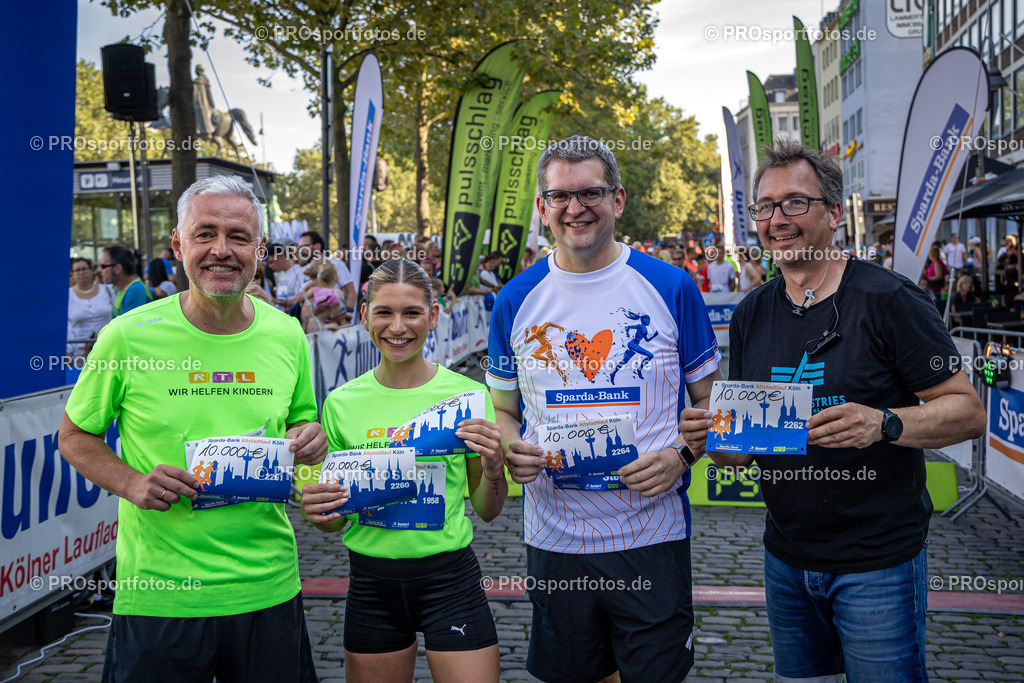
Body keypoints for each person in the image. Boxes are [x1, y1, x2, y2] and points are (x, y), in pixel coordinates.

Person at [683, 141, 985, 682]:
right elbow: (740, 453)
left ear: (834, 214)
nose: (778, 220)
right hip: (786, 557)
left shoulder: (889, 300)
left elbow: (967, 411)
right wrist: (711, 438)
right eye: (766, 207)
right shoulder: (753, 311)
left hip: (878, 563)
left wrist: (884, 423)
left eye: (795, 203)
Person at [58, 176, 328, 682]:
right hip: (160, 595)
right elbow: (74, 437)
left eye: (238, 237)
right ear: (179, 245)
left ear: (260, 249)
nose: (221, 251)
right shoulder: (127, 336)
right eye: (204, 234)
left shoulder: (287, 333)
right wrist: (132, 483)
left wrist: (310, 437)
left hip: (267, 587)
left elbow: (301, 423)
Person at [489, 135, 721, 682]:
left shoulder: (671, 286)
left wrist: (682, 458)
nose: (576, 208)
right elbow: (504, 412)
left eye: (590, 192)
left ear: (617, 200)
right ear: (542, 208)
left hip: (650, 536)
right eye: (560, 196)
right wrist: (511, 447)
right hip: (556, 538)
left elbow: (712, 407)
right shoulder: (515, 299)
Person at [299, 258, 506, 683]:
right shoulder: (340, 403)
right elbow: (333, 521)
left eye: (411, 312)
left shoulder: (467, 395)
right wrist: (317, 510)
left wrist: (494, 468)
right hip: (372, 584)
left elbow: (487, 510)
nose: (398, 327)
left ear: (432, 317)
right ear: (364, 316)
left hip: (450, 581)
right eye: (384, 313)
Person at [67, 257, 115, 359]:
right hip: (80, 354)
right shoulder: (68, 296)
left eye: (84, 269)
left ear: (91, 270)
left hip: (109, 349)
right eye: (77, 270)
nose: (81, 273)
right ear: (72, 273)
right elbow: (67, 325)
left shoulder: (108, 290)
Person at [299, 230, 357, 310]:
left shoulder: (336, 264)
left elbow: (351, 292)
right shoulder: (304, 270)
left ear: (317, 246)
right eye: (299, 247)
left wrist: (348, 315)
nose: (301, 250)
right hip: (309, 319)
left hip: (333, 317)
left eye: (304, 247)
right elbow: (298, 298)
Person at [100, 245, 152, 316]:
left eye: (103, 266)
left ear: (117, 268)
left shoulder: (134, 290)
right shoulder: (121, 288)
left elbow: (128, 325)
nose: (100, 270)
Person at [266, 240, 307, 311]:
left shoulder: (299, 272)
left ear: (281, 256)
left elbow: (299, 300)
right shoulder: (282, 274)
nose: (270, 266)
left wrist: (275, 301)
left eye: (271, 262)